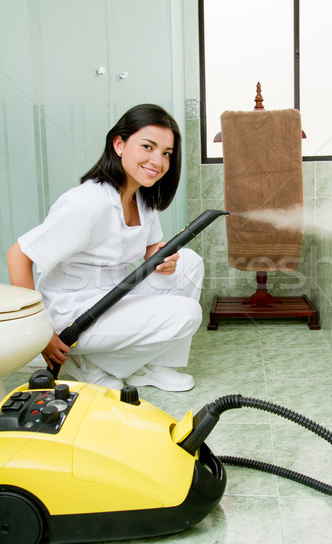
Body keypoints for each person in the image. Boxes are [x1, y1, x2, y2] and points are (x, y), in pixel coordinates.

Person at [7, 104, 204, 392]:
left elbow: (149, 250)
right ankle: (88, 364)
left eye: (166, 153)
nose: (158, 161)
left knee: (189, 262)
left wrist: (164, 260)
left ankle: (147, 366)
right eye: (147, 147)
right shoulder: (87, 204)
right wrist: (41, 332)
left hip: (111, 296)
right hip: (73, 314)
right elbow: (19, 255)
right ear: (119, 144)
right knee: (187, 313)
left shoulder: (142, 199)